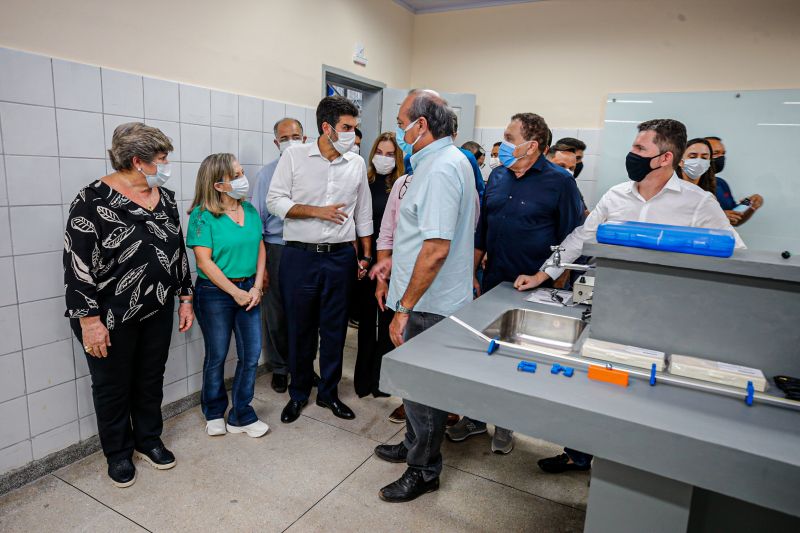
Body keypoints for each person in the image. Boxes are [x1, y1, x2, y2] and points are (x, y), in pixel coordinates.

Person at [514, 119, 744, 474]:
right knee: (596, 384)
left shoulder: (699, 203)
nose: (631, 155)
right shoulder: (616, 195)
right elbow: (579, 238)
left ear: (665, 157)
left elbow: (735, 253)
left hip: (665, 320)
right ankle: (579, 455)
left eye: (640, 149)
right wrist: (544, 273)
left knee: (642, 396)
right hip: (610, 311)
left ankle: (630, 471)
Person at [63, 122, 194, 488]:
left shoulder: (163, 197)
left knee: (150, 379)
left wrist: (185, 298)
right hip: (108, 315)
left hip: (157, 308)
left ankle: (148, 440)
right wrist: (89, 321)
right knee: (112, 385)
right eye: (162, 158)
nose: (167, 164)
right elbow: (77, 265)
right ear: (138, 161)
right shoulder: (92, 200)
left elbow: (176, 251)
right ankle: (118, 453)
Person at [448, 114, 585, 456]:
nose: (504, 143)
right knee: (482, 352)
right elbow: (483, 228)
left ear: (532, 145)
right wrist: (471, 273)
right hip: (492, 278)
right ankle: (476, 418)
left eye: (509, 137)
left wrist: (554, 282)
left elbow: (571, 239)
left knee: (515, 358)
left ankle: (505, 424)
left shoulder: (560, 183)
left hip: (534, 286)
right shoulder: (497, 176)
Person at [372, 89, 477, 503]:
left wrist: (405, 309)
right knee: (415, 388)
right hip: (422, 295)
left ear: (422, 125)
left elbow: (435, 249)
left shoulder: (440, 170)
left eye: (401, 124)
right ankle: (414, 444)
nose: (399, 132)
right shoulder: (442, 163)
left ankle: (424, 470)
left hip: (429, 304)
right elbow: (419, 238)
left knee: (427, 391)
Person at [267, 95, 373, 424]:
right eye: (346, 127)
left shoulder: (355, 163)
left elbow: (363, 213)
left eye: (354, 128)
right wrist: (316, 211)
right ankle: (298, 394)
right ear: (326, 128)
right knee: (300, 329)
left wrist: (366, 256)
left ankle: (328, 393)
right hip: (300, 256)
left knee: (334, 330)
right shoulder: (295, 157)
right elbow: (274, 201)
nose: (352, 134)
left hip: (340, 258)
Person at [187, 153, 268, 439]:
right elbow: (204, 262)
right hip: (215, 293)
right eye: (236, 175)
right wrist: (235, 292)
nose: (243, 178)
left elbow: (259, 247)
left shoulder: (251, 210)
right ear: (219, 184)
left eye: (241, 171)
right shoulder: (201, 216)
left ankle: (241, 414)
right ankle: (213, 411)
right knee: (217, 354)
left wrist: (256, 287)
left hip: (249, 289)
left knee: (250, 355)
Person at [250, 117, 307, 394]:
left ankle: (304, 366)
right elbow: (257, 223)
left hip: (307, 247)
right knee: (276, 313)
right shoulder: (266, 175)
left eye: (295, 136)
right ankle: (280, 368)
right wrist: (264, 267)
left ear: (305, 139)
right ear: (276, 143)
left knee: (307, 312)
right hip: (277, 248)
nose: (290, 142)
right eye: (284, 138)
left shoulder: (316, 171)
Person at [353, 132, 405, 398]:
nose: (383, 158)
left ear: (397, 157)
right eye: (379, 153)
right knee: (365, 323)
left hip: (393, 262)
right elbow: (355, 221)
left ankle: (381, 382)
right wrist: (360, 257)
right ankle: (362, 380)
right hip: (365, 260)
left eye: (389, 154)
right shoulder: (365, 180)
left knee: (387, 322)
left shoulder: (402, 185)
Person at [705, 136, 764, 226]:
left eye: (723, 153)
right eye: (716, 153)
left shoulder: (721, 184)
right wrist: (718, 216)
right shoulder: (688, 184)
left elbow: (734, 218)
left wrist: (750, 204)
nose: (721, 157)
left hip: (721, 237)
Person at [547, 143, 589, 214]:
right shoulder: (531, 187)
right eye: (561, 166)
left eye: (571, 168)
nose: (568, 172)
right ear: (546, 163)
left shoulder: (572, 190)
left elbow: (584, 216)